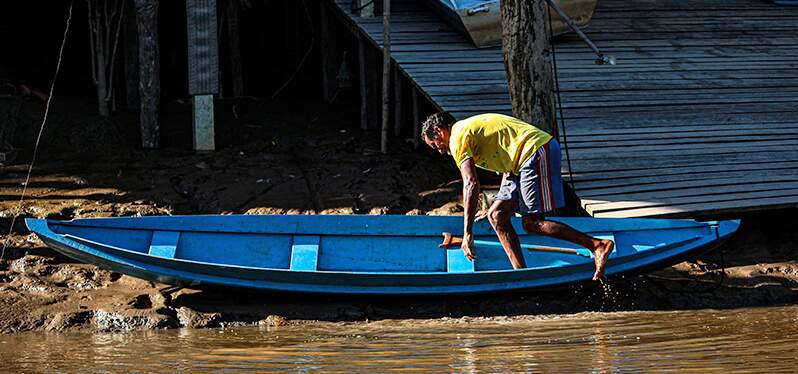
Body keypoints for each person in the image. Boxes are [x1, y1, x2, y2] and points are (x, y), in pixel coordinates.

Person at [421, 112, 614, 281]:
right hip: (518, 164)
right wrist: (498, 204)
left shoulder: (457, 137)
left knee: (532, 223)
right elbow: (506, 159)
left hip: (535, 151)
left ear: (439, 131)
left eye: (435, 145)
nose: (439, 150)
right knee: (496, 216)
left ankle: (597, 245)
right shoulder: (467, 131)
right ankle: (521, 275)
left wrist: (467, 233)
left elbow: (471, 184)